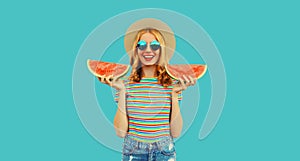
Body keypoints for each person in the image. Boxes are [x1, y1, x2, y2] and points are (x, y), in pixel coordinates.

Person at [98, 18, 196, 161]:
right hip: (133, 150)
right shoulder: (125, 84)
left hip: (164, 151)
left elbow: (175, 132)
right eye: (142, 45)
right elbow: (120, 132)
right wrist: (122, 91)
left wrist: (174, 95)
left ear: (161, 50)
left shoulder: (172, 84)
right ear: (136, 50)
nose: (148, 50)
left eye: (155, 45)